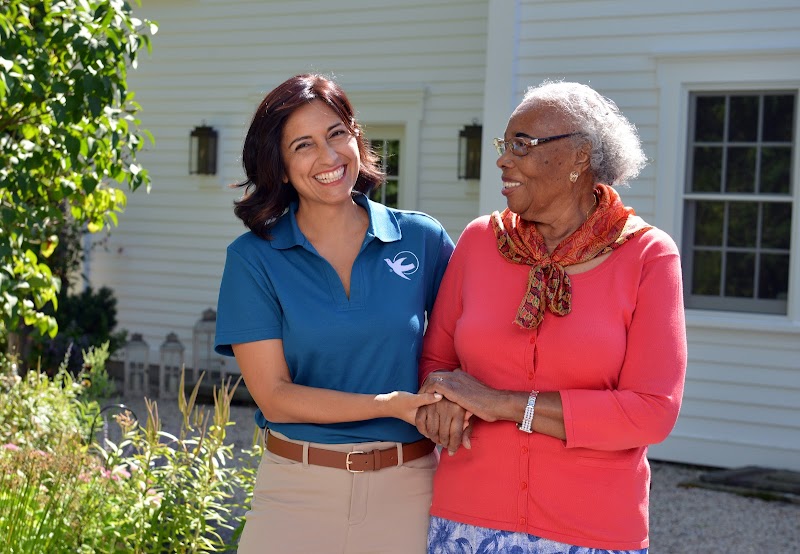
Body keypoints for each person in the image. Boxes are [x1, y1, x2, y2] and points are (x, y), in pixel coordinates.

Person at [415, 80, 687, 553]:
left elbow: (651, 412)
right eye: (506, 144)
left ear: (579, 157)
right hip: (465, 522)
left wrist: (500, 403)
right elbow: (435, 362)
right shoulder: (480, 241)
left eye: (522, 144)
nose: (503, 159)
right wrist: (439, 399)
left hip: (593, 532)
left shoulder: (647, 255)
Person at [214, 73, 455, 553]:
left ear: (356, 139)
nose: (328, 157)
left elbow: (466, 344)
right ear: (279, 167)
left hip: (410, 489)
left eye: (336, 134)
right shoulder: (253, 258)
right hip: (294, 492)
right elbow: (276, 397)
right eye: (302, 145)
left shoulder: (421, 240)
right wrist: (390, 405)